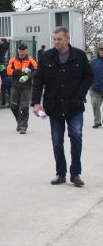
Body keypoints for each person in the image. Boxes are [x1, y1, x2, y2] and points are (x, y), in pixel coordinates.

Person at [32, 27, 93, 186]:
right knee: (57, 141)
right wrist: (36, 103)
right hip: (54, 106)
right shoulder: (46, 57)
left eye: (59, 39)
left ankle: (75, 174)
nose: (56, 42)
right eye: (54, 39)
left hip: (74, 106)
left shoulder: (79, 56)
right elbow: (38, 81)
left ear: (67, 39)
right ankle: (60, 173)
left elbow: (88, 76)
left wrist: (80, 96)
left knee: (76, 136)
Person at [6, 43, 38, 134]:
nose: (21, 51)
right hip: (15, 86)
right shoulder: (13, 60)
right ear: (18, 50)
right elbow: (8, 71)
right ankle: (19, 121)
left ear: (26, 50)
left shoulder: (31, 60)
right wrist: (21, 71)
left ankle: (24, 126)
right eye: (20, 49)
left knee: (24, 106)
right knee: (13, 106)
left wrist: (28, 77)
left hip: (26, 87)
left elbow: (36, 71)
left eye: (23, 49)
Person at [90, 45, 103, 128]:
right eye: (101, 49)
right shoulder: (93, 62)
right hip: (95, 88)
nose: (102, 51)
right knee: (95, 104)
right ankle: (97, 121)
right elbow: (87, 73)